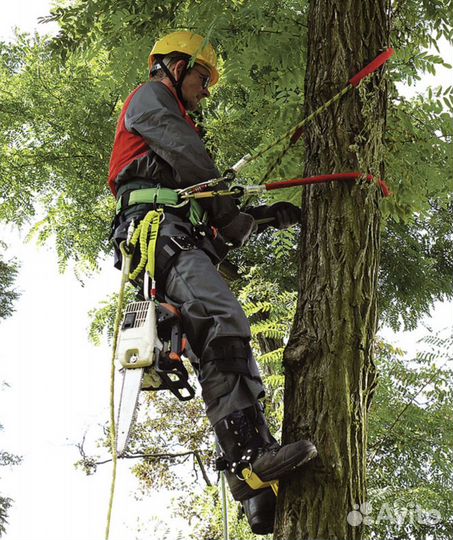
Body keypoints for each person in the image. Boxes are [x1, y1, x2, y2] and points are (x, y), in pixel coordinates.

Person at [109, 30, 317, 534]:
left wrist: (261, 219)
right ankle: (250, 455)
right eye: (203, 77)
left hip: (174, 233)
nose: (205, 90)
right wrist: (228, 213)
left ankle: (251, 481)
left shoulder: (175, 139)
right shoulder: (151, 98)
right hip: (158, 230)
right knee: (222, 318)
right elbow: (197, 169)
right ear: (176, 67)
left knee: (215, 340)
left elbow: (215, 221)